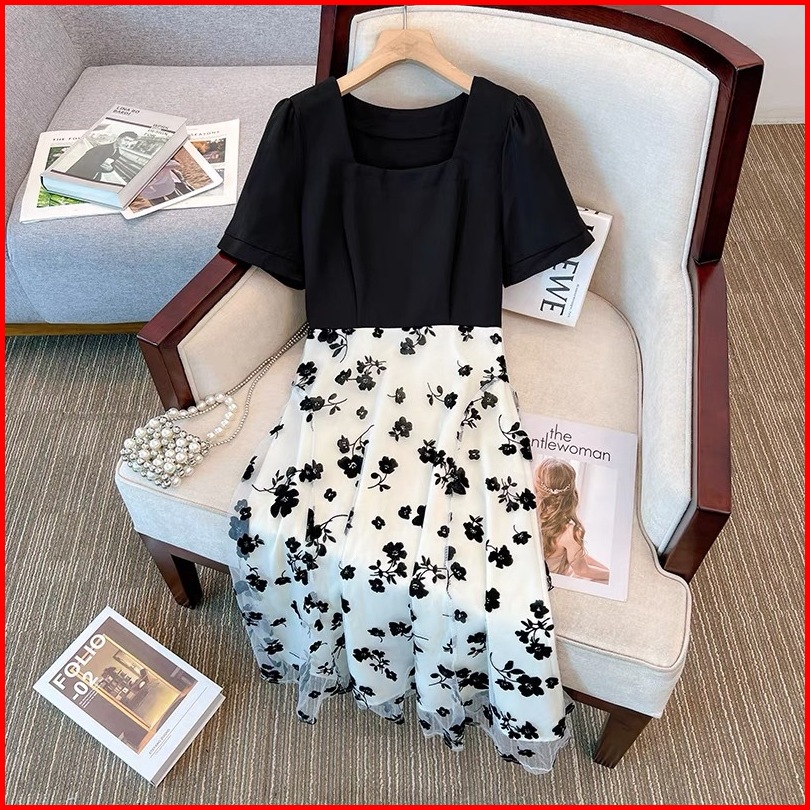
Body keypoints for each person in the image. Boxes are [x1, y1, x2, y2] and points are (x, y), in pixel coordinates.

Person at [535, 458, 610, 583]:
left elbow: (578, 557)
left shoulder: (528, 512)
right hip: (553, 581)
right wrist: (612, 575)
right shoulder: (570, 532)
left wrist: (608, 571)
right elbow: (582, 570)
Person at [66, 130, 138, 181]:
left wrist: (110, 169)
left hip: (93, 177)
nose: (127, 143)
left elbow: (111, 165)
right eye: (126, 140)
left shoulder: (117, 153)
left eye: (130, 142)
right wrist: (107, 169)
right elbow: (89, 165)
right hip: (78, 175)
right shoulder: (100, 149)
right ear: (118, 139)